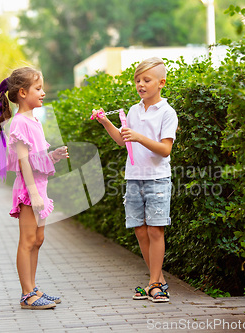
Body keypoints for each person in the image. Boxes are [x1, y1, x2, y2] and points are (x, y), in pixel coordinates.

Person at [91, 57, 178, 303]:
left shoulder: (167, 113)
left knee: (155, 231)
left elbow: (165, 150)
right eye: (137, 80)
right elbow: (122, 140)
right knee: (140, 232)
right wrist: (106, 121)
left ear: (161, 83)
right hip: (134, 179)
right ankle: (158, 282)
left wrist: (138, 137)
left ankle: (154, 283)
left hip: (157, 179)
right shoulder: (133, 110)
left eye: (146, 80)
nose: (141, 84)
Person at [0, 67, 69, 309]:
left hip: (39, 187)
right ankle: (27, 294)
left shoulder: (34, 121)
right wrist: (34, 194)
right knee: (27, 240)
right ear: (23, 92)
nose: (43, 93)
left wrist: (54, 156)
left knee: (38, 239)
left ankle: (34, 288)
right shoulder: (20, 123)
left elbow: (36, 158)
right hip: (29, 190)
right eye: (38, 88)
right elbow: (23, 161)